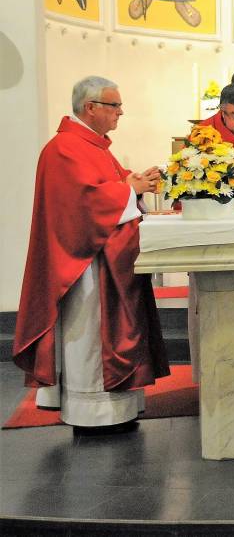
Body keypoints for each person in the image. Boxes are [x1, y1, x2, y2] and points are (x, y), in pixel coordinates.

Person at [13, 76, 169, 434]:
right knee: (89, 337)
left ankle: (120, 410)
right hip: (85, 266)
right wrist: (128, 189)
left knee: (107, 334)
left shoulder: (94, 146)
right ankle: (92, 415)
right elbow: (84, 204)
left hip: (106, 258)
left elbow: (107, 190)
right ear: (91, 108)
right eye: (115, 106)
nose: (120, 113)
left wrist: (134, 185)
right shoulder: (64, 148)